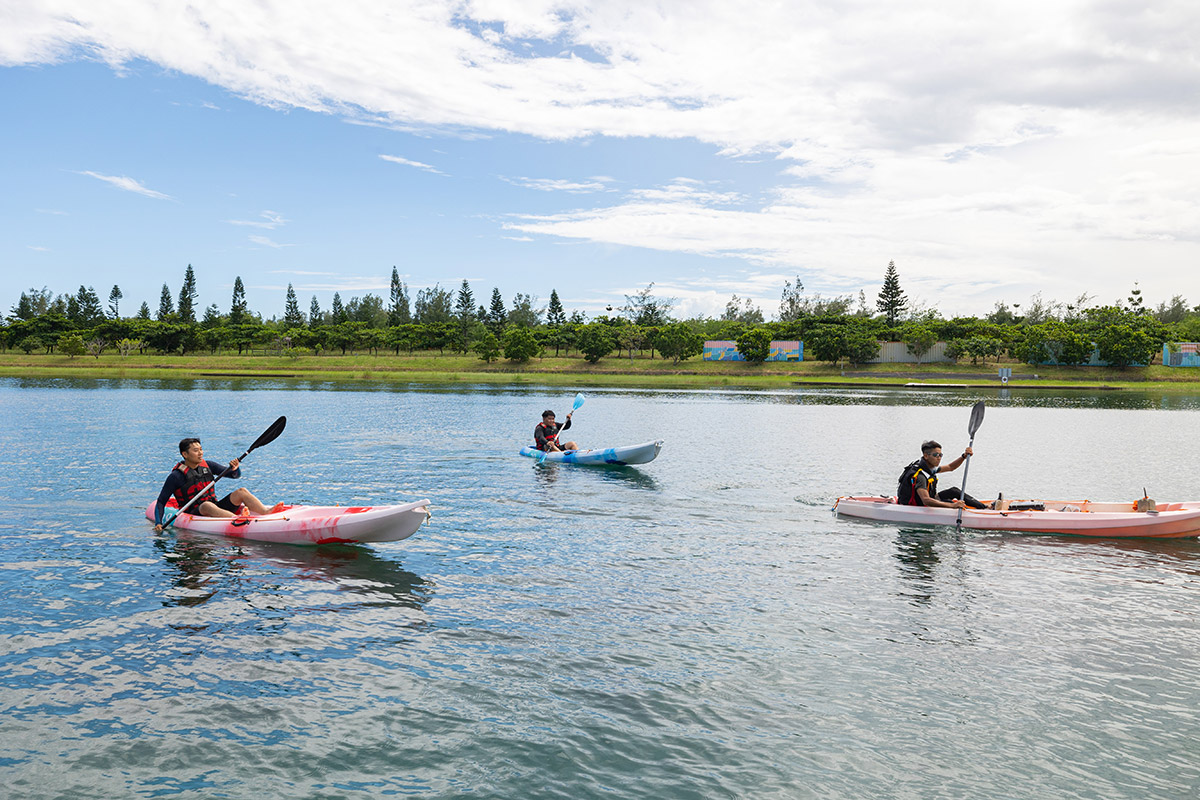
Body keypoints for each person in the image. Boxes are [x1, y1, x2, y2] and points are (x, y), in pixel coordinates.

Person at [153, 437, 279, 531]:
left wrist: (235, 468)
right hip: (194, 512)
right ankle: (238, 520)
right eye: (196, 450)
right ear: (185, 454)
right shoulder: (176, 476)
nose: (200, 453)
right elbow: (161, 502)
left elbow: (234, 475)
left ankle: (265, 511)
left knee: (241, 491)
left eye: (201, 449)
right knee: (206, 505)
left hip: (215, 506)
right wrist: (158, 523)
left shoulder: (208, 465)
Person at [897, 439, 992, 509]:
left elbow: (951, 467)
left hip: (930, 499)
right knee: (950, 503)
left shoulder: (930, 468)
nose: (939, 458)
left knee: (954, 491)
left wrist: (964, 456)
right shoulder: (920, 476)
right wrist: (952, 505)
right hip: (918, 505)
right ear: (926, 456)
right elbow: (926, 500)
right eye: (935, 455)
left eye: (940, 455)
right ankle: (977, 511)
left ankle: (985, 507)